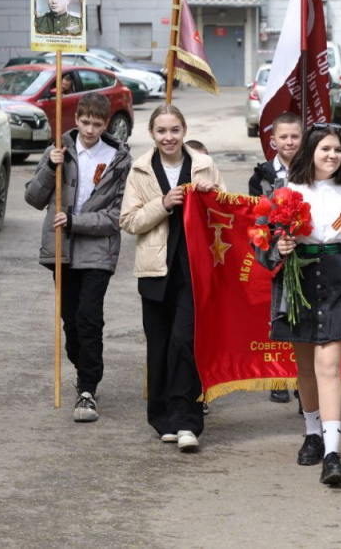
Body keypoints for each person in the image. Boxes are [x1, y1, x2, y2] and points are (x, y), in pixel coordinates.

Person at [254, 123, 341, 485]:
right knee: (306, 366)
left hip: (340, 278)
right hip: (300, 279)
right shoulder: (285, 191)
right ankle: (312, 434)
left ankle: (332, 452)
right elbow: (262, 239)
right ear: (310, 152)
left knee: (329, 365)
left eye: (337, 150)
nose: (332, 155)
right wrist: (277, 247)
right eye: (325, 149)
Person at [119, 104, 225, 452]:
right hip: (155, 270)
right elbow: (129, 221)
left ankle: (187, 422)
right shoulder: (140, 170)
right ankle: (162, 418)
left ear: (184, 130)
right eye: (162, 131)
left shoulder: (204, 165)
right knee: (160, 344)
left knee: (186, 343)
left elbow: (227, 214)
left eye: (175, 130)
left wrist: (214, 196)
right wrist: (163, 203)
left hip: (194, 269)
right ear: (152, 133)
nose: (169, 137)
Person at [24, 92, 131, 423]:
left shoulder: (118, 159)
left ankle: (88, 388)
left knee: (88, 317)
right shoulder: (59, 150)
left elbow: (117, 216)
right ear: (76, 119)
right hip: (63, 250)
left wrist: (75, 221)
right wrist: (48, 165)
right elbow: (33, 197)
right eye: (85, 122)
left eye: (97, 124)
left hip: (98, 249)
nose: (90, 129)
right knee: (70, 320)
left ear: (106, 123)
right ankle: (81, 367)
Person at [247, 111, 303, 405]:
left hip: (304, 255)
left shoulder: (313, 171)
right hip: (272, 257)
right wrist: (273, 245)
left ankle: (304, 385)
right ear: (273, 141)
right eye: (284, 137)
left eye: (295, 136)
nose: (290, 142)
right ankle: (279, 376)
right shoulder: (260, 177)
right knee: (276, 319)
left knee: (302, 321)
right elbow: (257, 218)